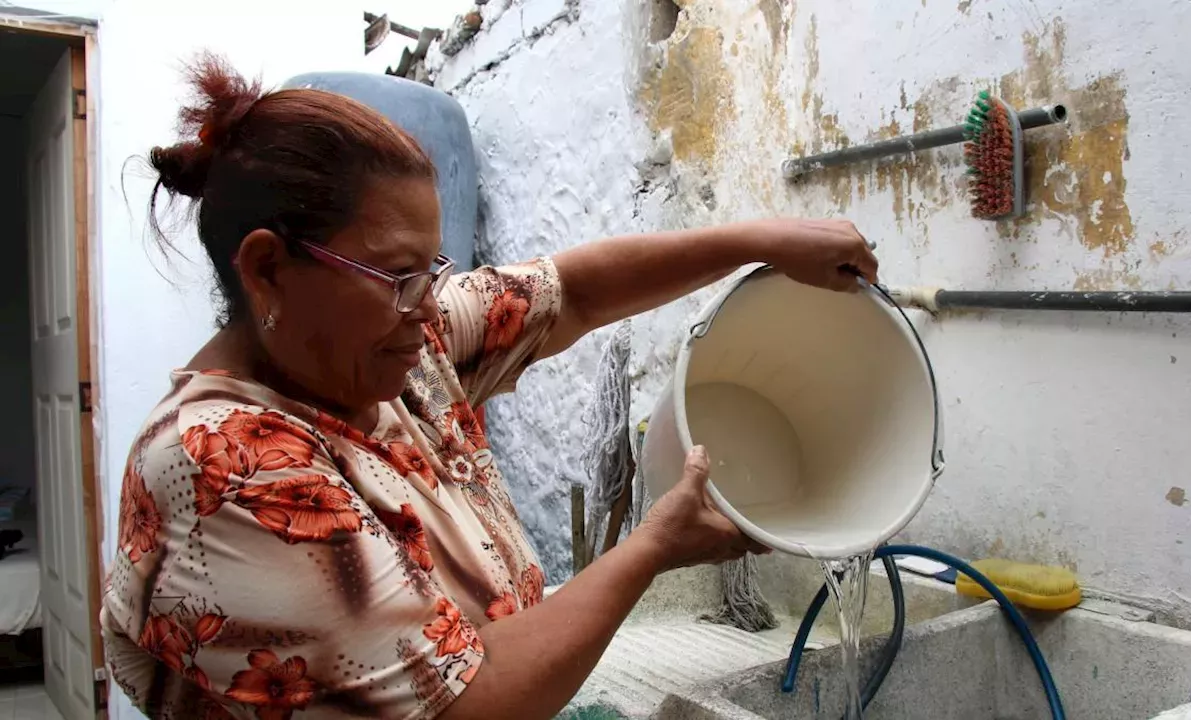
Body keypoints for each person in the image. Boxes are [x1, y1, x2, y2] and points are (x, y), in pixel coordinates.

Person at [101, 53, 879, 720]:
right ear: (269, 269)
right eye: (400, 275)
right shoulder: (222, 465)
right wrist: (651, 549)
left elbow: (569, 292)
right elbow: (465, 704)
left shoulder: (392, 355)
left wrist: (756, 240)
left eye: (432, 270)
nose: (429, 304)